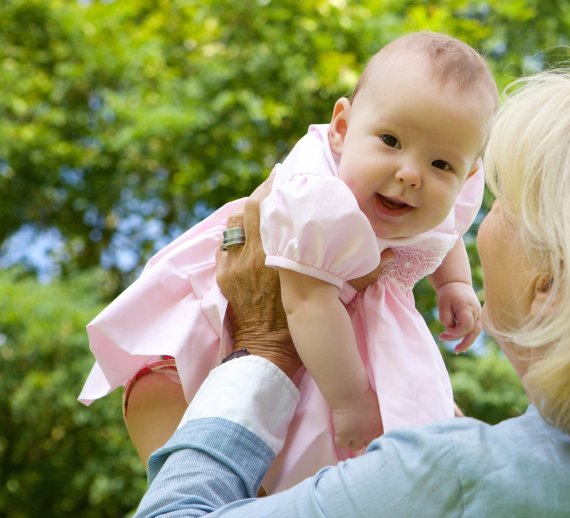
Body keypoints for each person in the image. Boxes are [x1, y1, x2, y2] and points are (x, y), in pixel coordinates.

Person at [135, 65, 570, 517]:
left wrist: (258, 351)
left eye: (499, 200)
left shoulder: (452, 481)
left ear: (549, 284)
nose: (477, 228)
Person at [78, 32, 498, 492]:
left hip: (338, 333)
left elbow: (446, 231)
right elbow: (305, 304)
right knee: (178, 396)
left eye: (441, 165)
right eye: (391, 139)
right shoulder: (317, 196)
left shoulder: (444, 188)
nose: (412, 174)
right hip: (270, 308)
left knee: (340, 449)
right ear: (341, 128)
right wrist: (352, 401)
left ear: (468, 173)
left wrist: (452, 285)